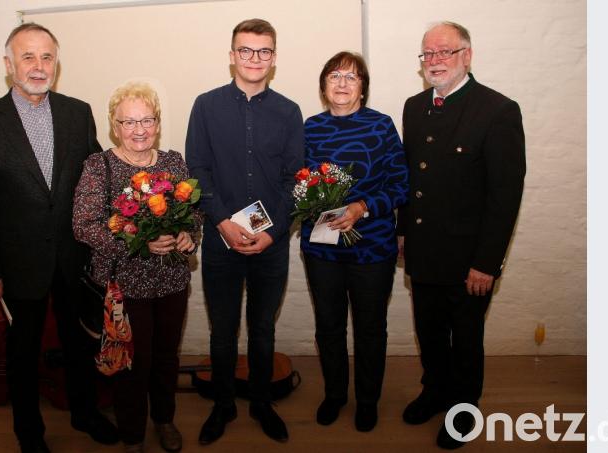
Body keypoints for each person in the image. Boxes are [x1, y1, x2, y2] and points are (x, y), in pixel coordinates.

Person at [0, 23, 118, 453]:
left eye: (46, 56)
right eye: (27, 56)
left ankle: (85, 414)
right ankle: (29, 433)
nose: (38, 65)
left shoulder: (77, 112)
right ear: (8, 64)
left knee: (80, 343)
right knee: (23, 354)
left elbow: (95, 183)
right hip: (17, 265)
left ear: (57, 64)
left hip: (74, 257)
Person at [397, 22, 526, 449]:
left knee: (466, 341)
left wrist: (487, 263)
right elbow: (409, 180)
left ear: (466, 56)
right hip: (424, 252)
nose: (434, 61)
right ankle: (434, 391)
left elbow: (505, 197)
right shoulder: (414, 107)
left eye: (444, 52)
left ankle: (463, 411)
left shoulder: (498, 110)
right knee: (429, 333)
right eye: (427, 54)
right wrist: (402, 235)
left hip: (469, 261)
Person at [185, 18, 304, 445]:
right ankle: (222, 406)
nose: (255, 58)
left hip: (270, 245)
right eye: (246, 50)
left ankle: (260, 403)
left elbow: (296, 180)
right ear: (232, 55)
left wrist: (272, 233)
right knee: (222, 331)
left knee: (262, 329)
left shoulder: (289, 112)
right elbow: (196, 169)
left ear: (274, 58)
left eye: (264, 51)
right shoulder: (205, 105)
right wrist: (221, 222)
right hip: (221, 241)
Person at [73, 82, 199, 453]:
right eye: (128, 122)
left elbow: (193, 213)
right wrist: (139, 242)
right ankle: (132, 435)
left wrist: (189, 235)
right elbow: (84, 224)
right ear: (114, 125)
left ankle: (164, 419)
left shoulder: (173, 162)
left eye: (146, 120)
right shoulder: (101, 166)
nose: (139, 129)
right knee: (132, 363)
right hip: (124, 288)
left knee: (165, 357)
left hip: (172, 281)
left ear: (158, 123)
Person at [300, 51, 408, 432]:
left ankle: (367, 400)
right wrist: (307, 201)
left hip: (372, 248)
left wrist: (362, 206)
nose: (342, 83)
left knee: (370, 328)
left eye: (351, 76)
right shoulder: (309, 127)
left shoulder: (381, 126)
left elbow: (400, 185)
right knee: (328, 326)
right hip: (322, 248)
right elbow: (296, 184)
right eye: (334, 76)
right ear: (323, 85)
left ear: (363, 85)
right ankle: (334, 395)